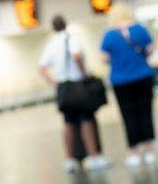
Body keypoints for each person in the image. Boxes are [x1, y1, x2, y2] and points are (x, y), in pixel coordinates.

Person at [39, 14, 109, 173]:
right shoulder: (71, 39)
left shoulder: (51, 44)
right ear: (66, 24)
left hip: (63, 87)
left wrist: (55, 83)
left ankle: (70, 159)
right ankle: (93, 156)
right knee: (86, 119)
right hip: (78, 85)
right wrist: (84, 74)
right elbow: (76, 56)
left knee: (68, 122)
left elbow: (42, 68)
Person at [101, 3, 157, 168]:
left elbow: (104, 59)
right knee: (145, 112)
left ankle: (133, 152)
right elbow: (151, 49)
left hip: (121, 81)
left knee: (128, 115)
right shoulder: (140, 29)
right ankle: (149, 150)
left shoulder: (109, 35)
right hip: (143, 77)